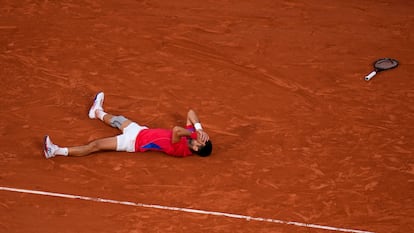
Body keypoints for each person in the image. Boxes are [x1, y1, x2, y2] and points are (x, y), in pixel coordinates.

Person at [43, 92, 212, 158]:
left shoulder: (182, 150)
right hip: (140, 131)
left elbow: (176, 130)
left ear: (196, 149)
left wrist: (193, 134)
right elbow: (190, 112)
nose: (198, 138)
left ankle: (55, 151)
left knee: (95, 146)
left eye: (200, 141)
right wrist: (199, 128)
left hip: (132, 143)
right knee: (118, 119)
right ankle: (97, 112)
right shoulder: (192, 137)